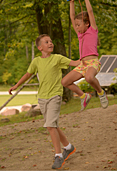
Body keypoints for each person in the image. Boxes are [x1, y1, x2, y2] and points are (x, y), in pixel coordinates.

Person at [9, 34, 79, 170]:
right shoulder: (36, 61)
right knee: (52, 125)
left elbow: (75, 63)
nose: (50, 43)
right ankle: (69, 147)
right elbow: (28, 74)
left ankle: (59, 155)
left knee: (50, 126)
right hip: (42, 98)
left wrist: (88, 57)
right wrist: (16, 85)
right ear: (40, 47)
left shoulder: (58, 58)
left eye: (51, 41)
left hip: (55, 96)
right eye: (47, 42)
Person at [61, 0, 108, 111]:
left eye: (78, 25)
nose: (76, 27)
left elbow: (90, 12)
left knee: (89, 78)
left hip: (93, 63)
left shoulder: (92, 30)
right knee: (65, 82)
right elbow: (72, 17)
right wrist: (71, 2)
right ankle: (84, 96)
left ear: (86, 24)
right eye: (75, 25)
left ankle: (101, 93)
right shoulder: (79, 34)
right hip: (82, 64)